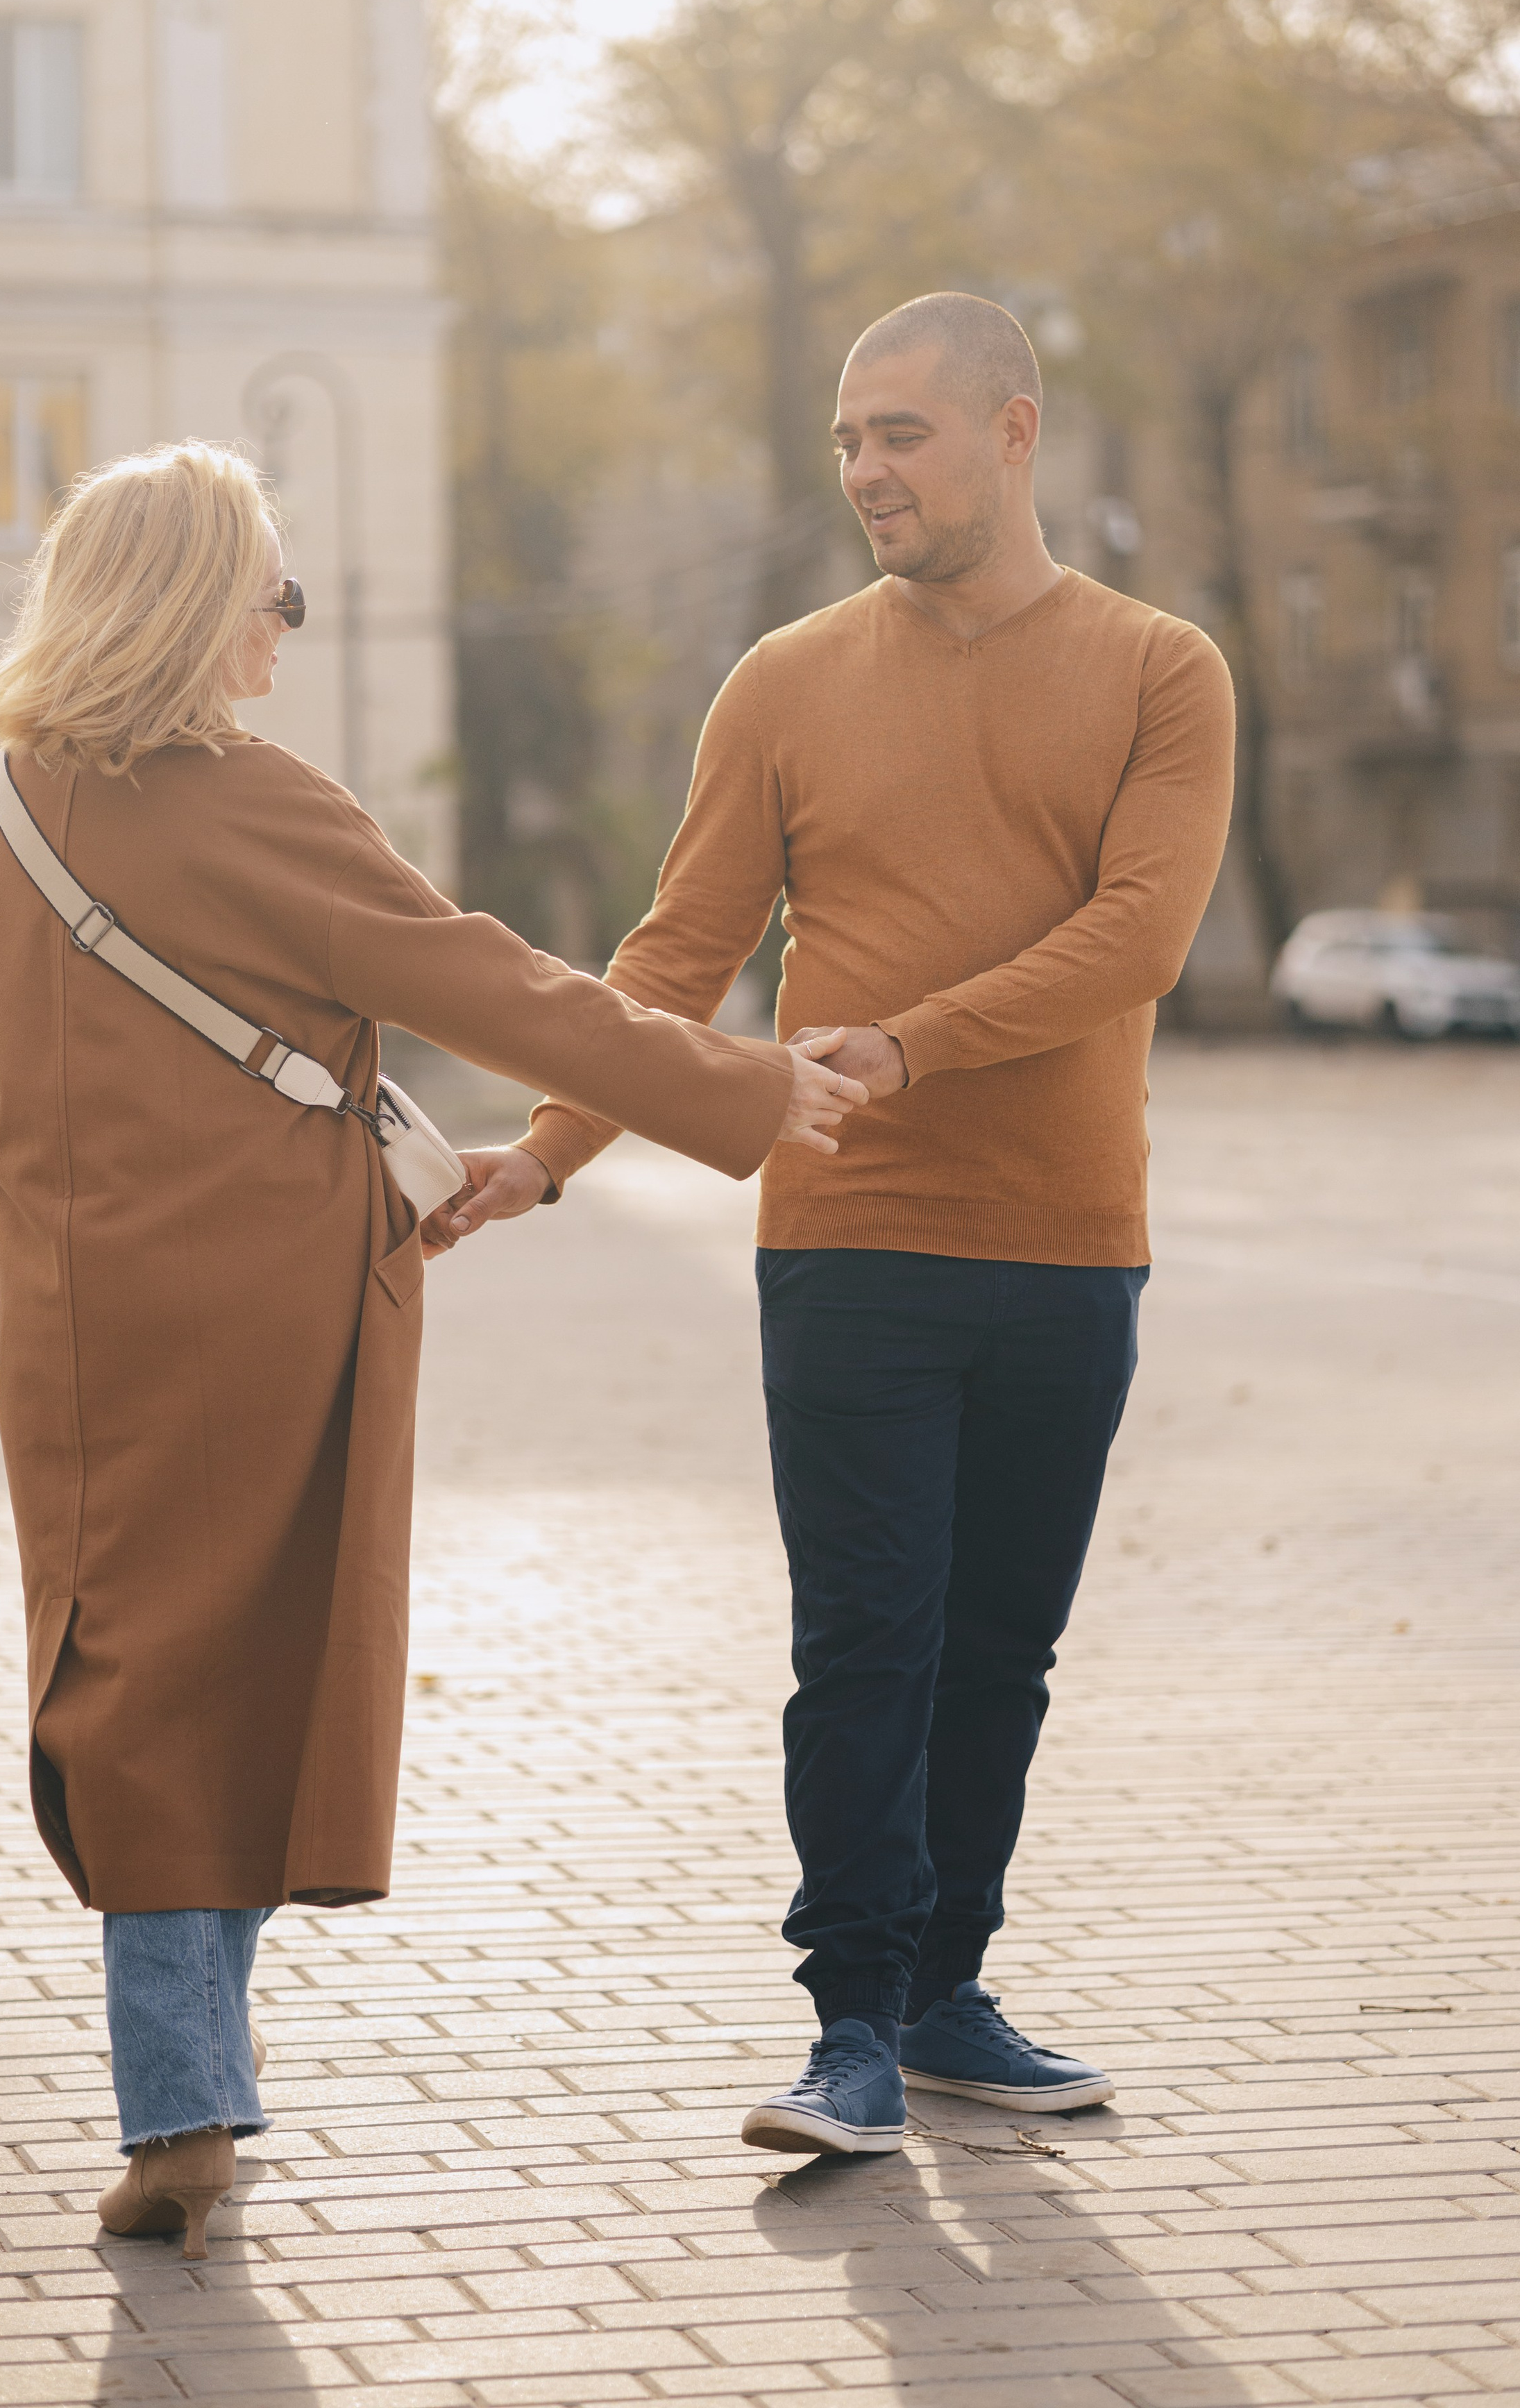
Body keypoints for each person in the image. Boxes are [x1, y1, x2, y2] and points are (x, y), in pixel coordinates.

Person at [0, 439, 865, 2252]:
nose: (282, 633)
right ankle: (187, 2098)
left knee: (124, 1672)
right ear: (197, 601)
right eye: (271, 595)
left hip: (65, 1308)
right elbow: (490, 979)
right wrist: (752, 1086)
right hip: (264, 1301)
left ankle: (185, 2101)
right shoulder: (249, 799)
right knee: (235, 1680)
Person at [450, 294, 1237, 2156]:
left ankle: (950, 1983)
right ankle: (853, 2022)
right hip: (851, 1236)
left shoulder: (1160, 668)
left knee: (1002, 1648)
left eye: (904, 433)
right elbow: (679, 953)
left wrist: (910, 1042)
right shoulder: (786, 679)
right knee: (868, 1638)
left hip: (1070, 1238)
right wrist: (547, 1150)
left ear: (1015, 432)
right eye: (847, 442)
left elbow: (1141, 935)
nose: (868, 471)